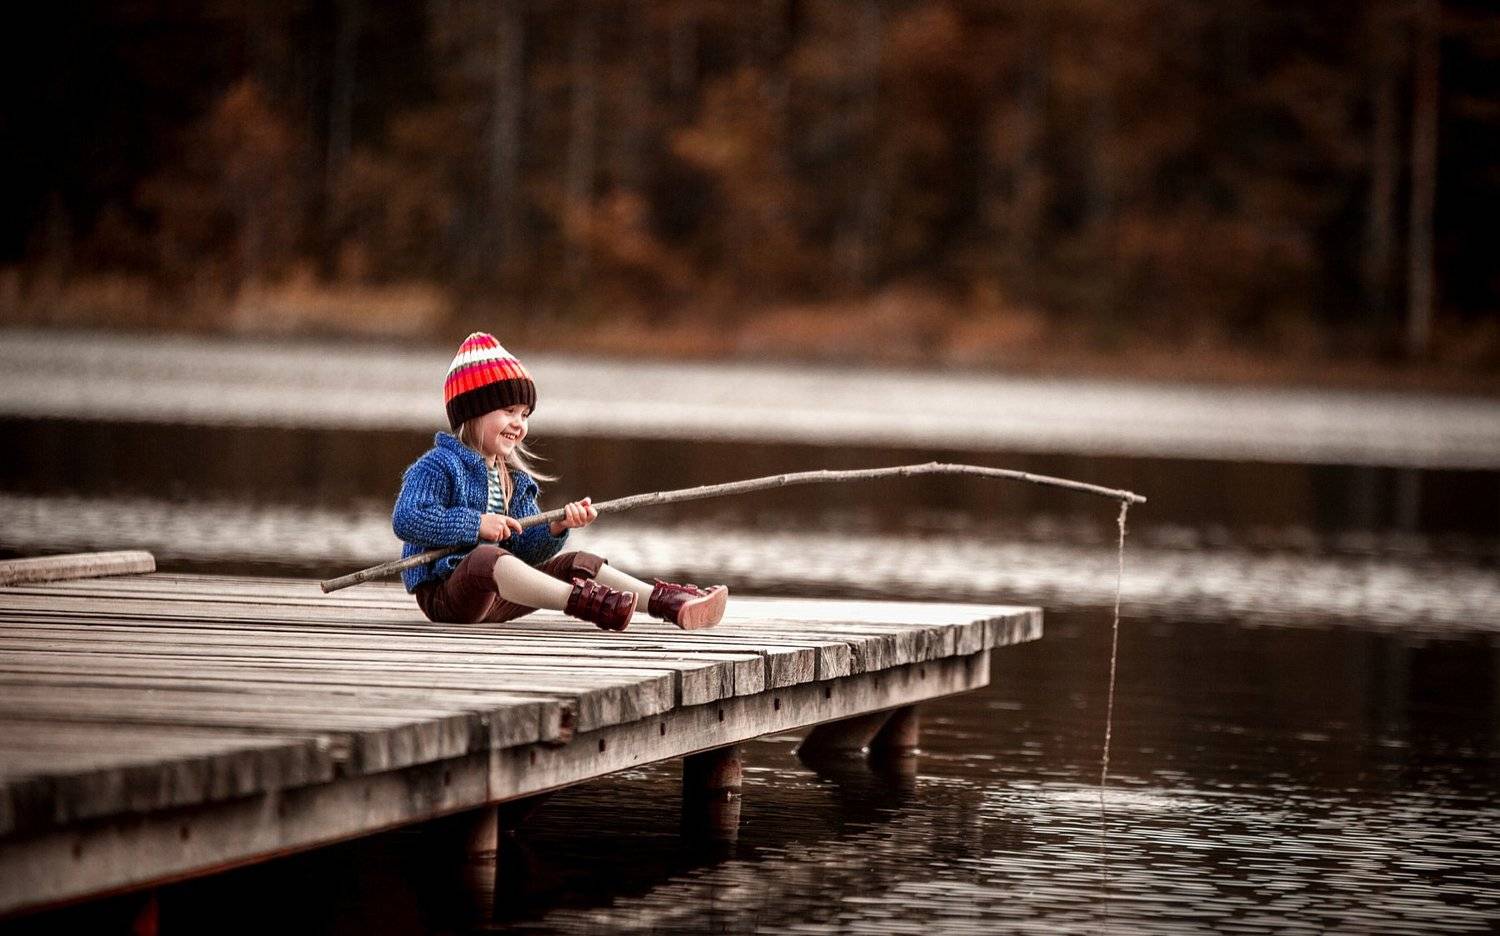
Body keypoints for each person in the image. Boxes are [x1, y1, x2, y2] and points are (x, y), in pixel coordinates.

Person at [392, 332, 728, 632]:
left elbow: (525, 549)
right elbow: (407, 519)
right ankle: (590, 604)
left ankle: (668, 603)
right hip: (449, 595)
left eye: (525, 415)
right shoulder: (438, 465)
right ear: (473, 412)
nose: (519, 424)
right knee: (483, 560)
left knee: (576, 562)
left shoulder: (513, 479)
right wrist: (476, 524)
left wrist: (556, 527)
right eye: (509, 410)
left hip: (499, 597)